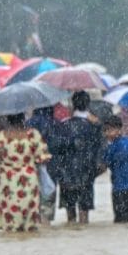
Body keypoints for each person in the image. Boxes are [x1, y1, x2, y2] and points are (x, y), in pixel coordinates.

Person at [0, 111, 50, 233]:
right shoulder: (33, 135)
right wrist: (31, 163)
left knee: (10, 222)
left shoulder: (2, 136)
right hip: (29, 180)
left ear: (8, 120)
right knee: (30, 223)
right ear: (23, 119)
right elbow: (43, 156)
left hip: (7, 181)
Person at [48, 91, 103, 225]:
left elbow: (56, 149)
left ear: (72, 104)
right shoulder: (94, 126)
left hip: (67, 174)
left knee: (70, 213)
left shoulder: (63, 126)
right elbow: (100, 149)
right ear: (88, 104)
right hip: (87, 173)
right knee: (84, 212)